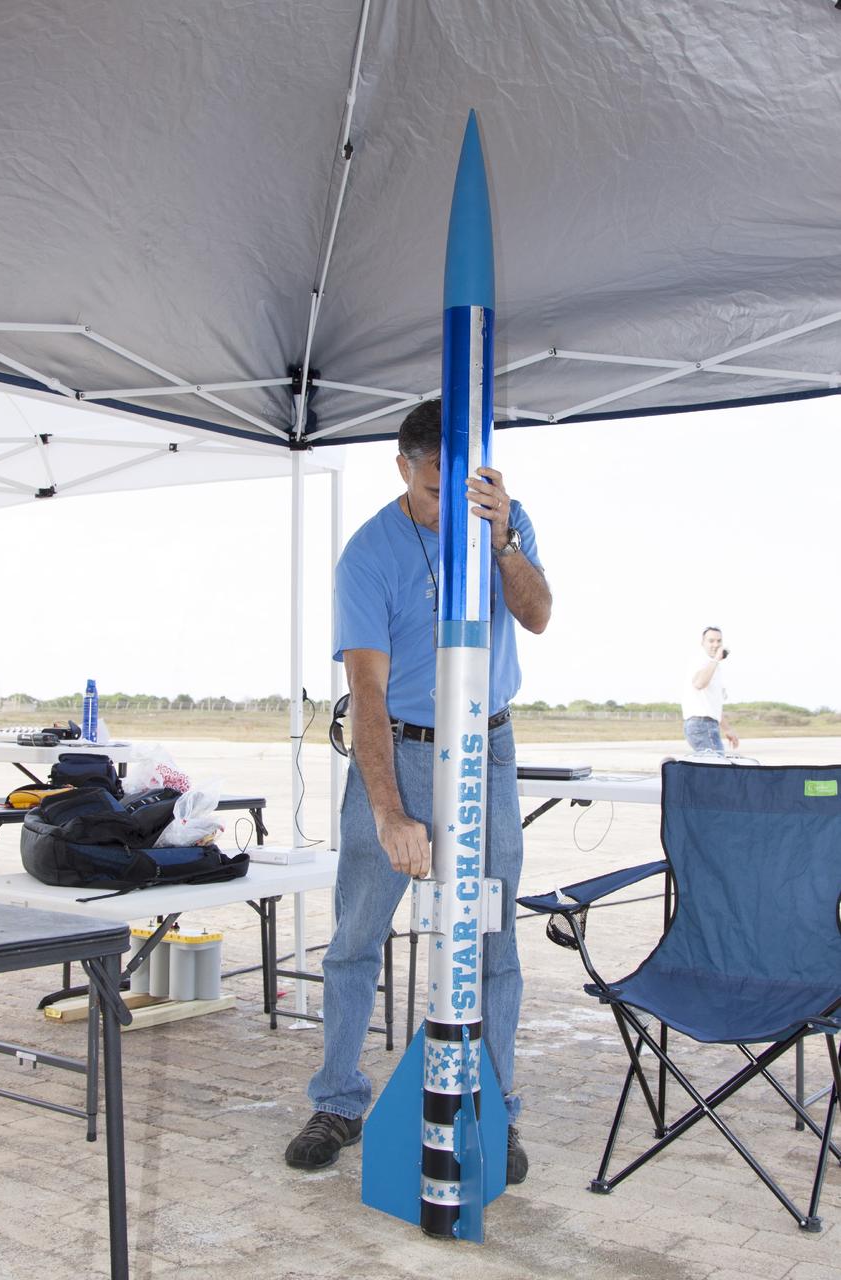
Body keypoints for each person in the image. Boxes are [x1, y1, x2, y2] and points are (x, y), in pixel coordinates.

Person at [285, 400, 552, 1184]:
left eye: (461, 490)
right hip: (398, 743)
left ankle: (494, 1105)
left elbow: (535, 616)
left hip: (487, 747)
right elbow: (364, 694)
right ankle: (337, 1100)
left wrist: (501, 539)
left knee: (493, 936)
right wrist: (387, 810)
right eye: (434, 492)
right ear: (403, 468)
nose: (447, 509)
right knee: (354, 938)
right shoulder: (369, 555)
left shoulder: (504, 520)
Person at [682, 626, 739, 754]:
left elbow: (714, 706)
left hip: (709, 723)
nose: (716, 645)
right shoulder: (701, 661)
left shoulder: (713, 666)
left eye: (719, 641)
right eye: (711, 641)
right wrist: (715, 660)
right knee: (717, 766)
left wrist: (727, 729)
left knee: (711, 767)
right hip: (701, 723)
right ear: (703, 643)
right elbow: (699, 683)